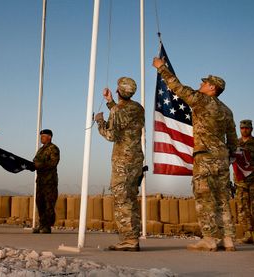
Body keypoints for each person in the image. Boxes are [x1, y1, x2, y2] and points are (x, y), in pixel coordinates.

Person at [153, 57, 237, 251]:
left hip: (205, 158)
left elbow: (178, 88)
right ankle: (228, 239)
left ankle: (209, 239)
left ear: (212, 88)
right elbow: (232, 139)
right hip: (222, 160)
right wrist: (228, 157)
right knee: (223, 199)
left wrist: (161, 68)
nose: (201, 84)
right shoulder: (227, 110)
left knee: (205, 198)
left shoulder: (201, 100)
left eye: (205, 82)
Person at [94, 77, 144, 251]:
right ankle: (133, 237)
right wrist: (110, 103)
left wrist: (99, 121)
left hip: (123, 161)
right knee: (130, 199)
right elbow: (123, 117)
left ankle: (129, 240)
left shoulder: (118, 111)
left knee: (122, 200)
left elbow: (111, 135)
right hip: (136, 159)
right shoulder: (138, 108)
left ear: (118, 91)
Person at [32, 129, 60, 234]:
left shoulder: (54, 149)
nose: (41, 138)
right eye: (41, 136)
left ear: (49, 137)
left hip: (50, 181)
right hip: (40, 181)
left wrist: (40, 165)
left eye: (43, 136)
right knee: (40, 203)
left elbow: (53, 162)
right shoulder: (40, 150)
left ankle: (47, 226)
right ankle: (42, 224)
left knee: (49, 204)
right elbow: (35, 161)